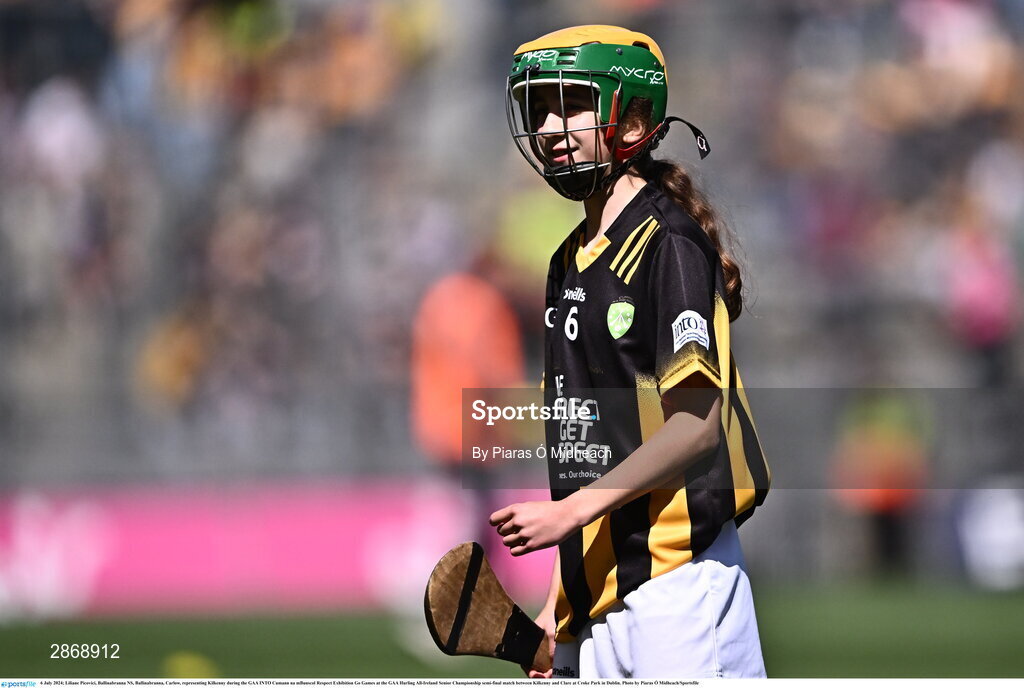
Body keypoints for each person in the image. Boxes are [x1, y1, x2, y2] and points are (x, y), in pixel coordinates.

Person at [488, 26, 771, 679]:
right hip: (604, 596)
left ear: (633, 116)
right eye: (539, 111)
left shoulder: (669, 245)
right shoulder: (567, 262)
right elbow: (591, 450)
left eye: (571, 105)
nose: (551, 128)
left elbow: (697, 428)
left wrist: (570, 514)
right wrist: (560, 605)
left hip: (678, 586)